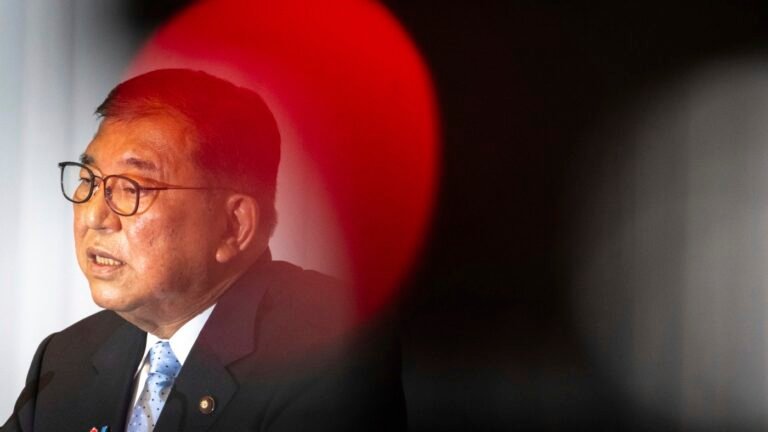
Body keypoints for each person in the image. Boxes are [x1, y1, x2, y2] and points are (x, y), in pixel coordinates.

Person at [2, 69, 406, 432]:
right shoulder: (65, 361)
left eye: (132, 188)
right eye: (90, 180)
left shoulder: (328, 352)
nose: (94, 216)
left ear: (234, 226)